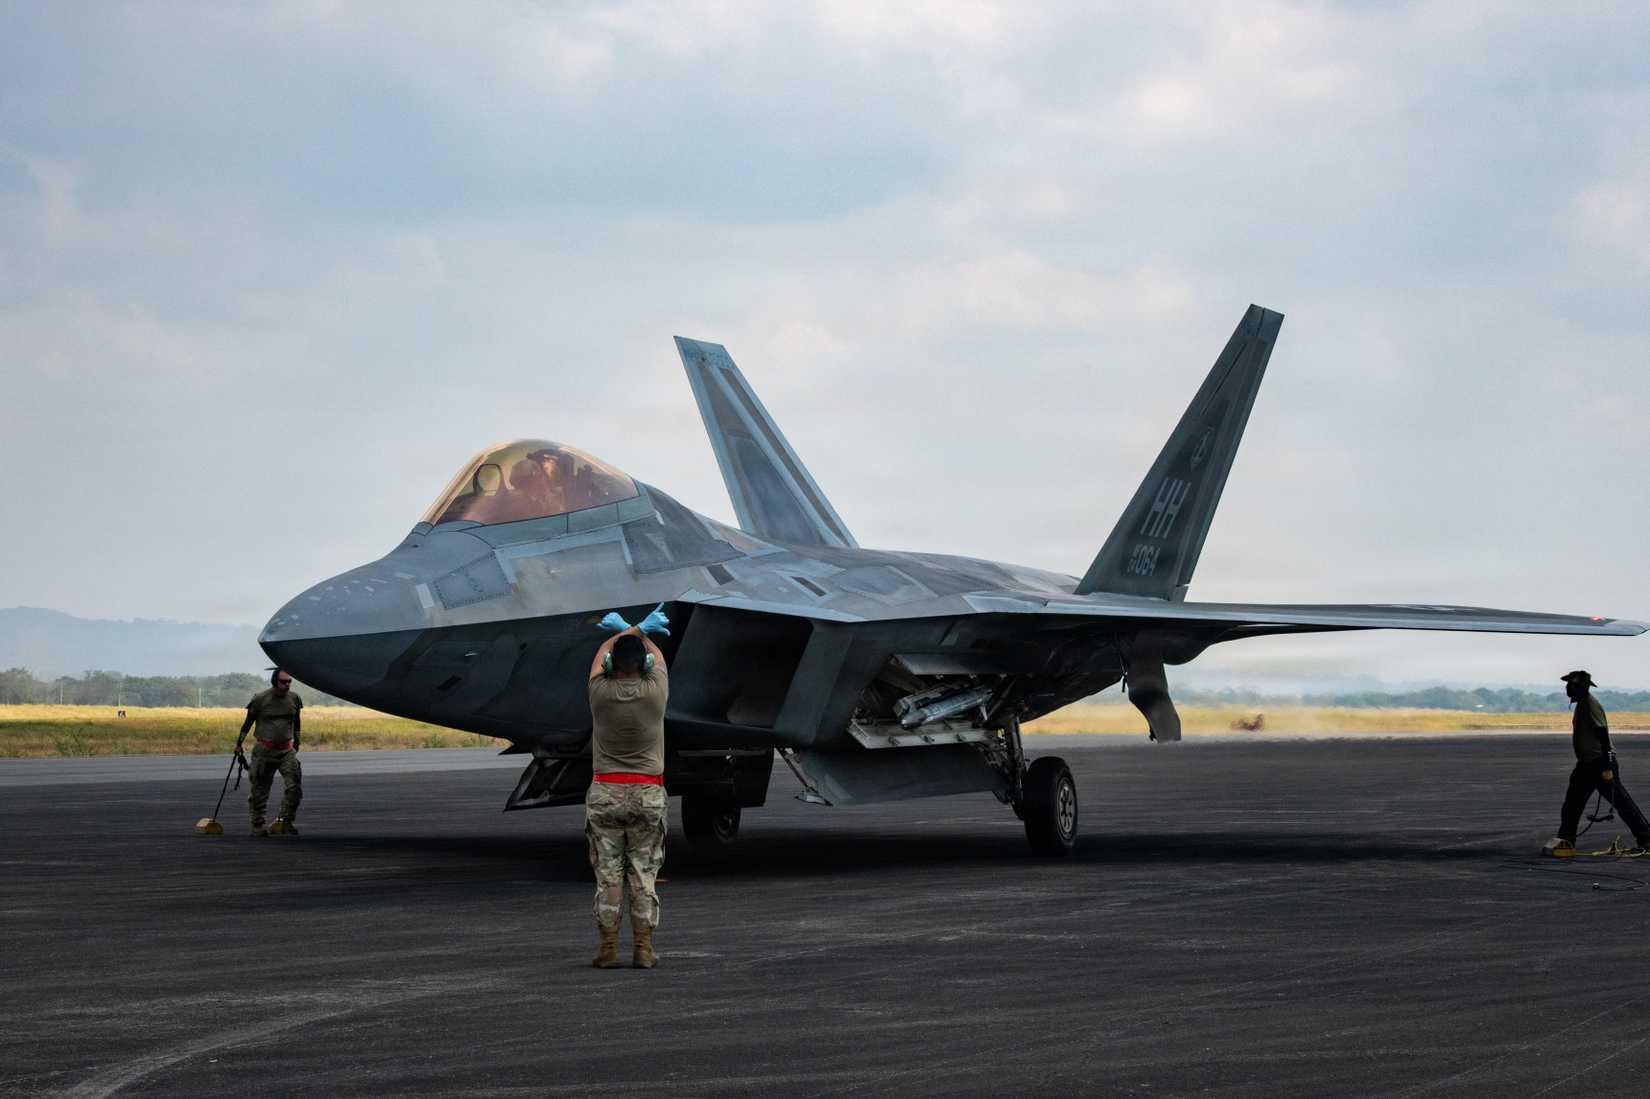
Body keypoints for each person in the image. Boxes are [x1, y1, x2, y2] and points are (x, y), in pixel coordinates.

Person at [586, 604, 671, 969]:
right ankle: (644, 949)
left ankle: (607, 948)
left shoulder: (599, 695)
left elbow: (601, 655)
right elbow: (657, 657)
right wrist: (641, 630)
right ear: (646, 667)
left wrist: (623, 629)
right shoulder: (655, 693)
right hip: (648, 793)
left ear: (610, 666)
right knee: (643, 873)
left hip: (605, 792)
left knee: (609, 873)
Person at [1542, 670, 1649, 857]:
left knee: (1622, 803)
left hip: (1599, 764)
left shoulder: (1591, 705)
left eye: (1571, 685)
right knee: (1572, 803)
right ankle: (1566, 839)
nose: (1567, 688)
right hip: (1586, 764)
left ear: (1580, 687)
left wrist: (1607, 767)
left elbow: (1604, 737)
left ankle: (1647, 837)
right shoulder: (1582, 704)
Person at [238, 669, 304, 837]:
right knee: (259, 789)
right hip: (264, 750)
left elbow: (296, 721)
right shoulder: (260, 699)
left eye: (289, 682)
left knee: (294, 786)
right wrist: (239, 743)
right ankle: (258, 824)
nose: (287, 685)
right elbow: (247, 723)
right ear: (275, 681)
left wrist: (297, 740)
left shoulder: (294, 699)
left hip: (286, 750)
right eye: (284, 682)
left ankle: (286, 821)